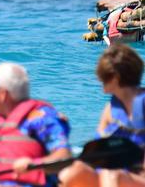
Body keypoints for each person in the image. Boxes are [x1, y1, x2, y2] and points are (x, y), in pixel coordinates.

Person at [59, 44, 145, 187]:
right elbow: (99, 149)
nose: (99, 80)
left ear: (115, 78)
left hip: (137, 176)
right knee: (73, 171)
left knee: (112, 175)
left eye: (103, 76)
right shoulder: (110, 109)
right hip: (112, 174)